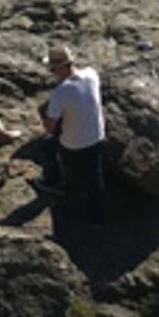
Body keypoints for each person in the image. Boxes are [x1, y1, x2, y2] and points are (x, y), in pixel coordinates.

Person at [37, 45, 105, 224]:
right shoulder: (92, 74)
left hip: (74, 145)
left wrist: (44, 116)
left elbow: (51, 128)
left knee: (49, 146)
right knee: (94, 177)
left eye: (52, 69)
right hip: (97, 137)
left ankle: (56, 184)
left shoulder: (61, 92)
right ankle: (97, 218)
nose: (52, 73)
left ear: (59, 68)